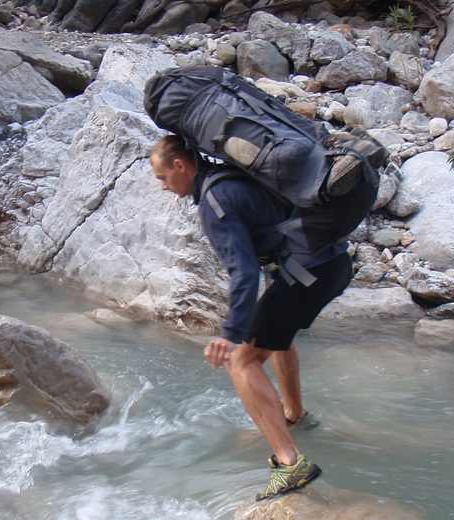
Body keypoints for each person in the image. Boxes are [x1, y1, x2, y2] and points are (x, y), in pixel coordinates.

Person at [149, 134, 358, 501]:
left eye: (162, 178)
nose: (163, 187)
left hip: (307, 275)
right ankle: (294, 413)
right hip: (332, 263)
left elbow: (243, 272)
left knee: (241, 361)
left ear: (181, 165)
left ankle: (290, 462)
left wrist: (230, 333)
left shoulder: (214, 201)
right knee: (273, 333)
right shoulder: (233, 175)